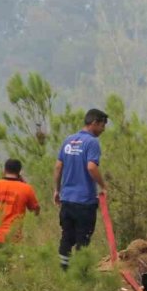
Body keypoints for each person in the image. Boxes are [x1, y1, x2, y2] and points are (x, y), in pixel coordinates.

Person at [55, 108, 109, 269]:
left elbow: (58, 167)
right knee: (82, 240)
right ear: (94, 123)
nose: (103, 130)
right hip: (84, 202)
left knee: (66, 237)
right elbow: (92, 167)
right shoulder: (92, 142)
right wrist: (103, 186)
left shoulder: (68, 140)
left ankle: (64, 272)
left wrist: (57, 190)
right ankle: (80, 273)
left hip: (67, 199)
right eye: (102, 125)